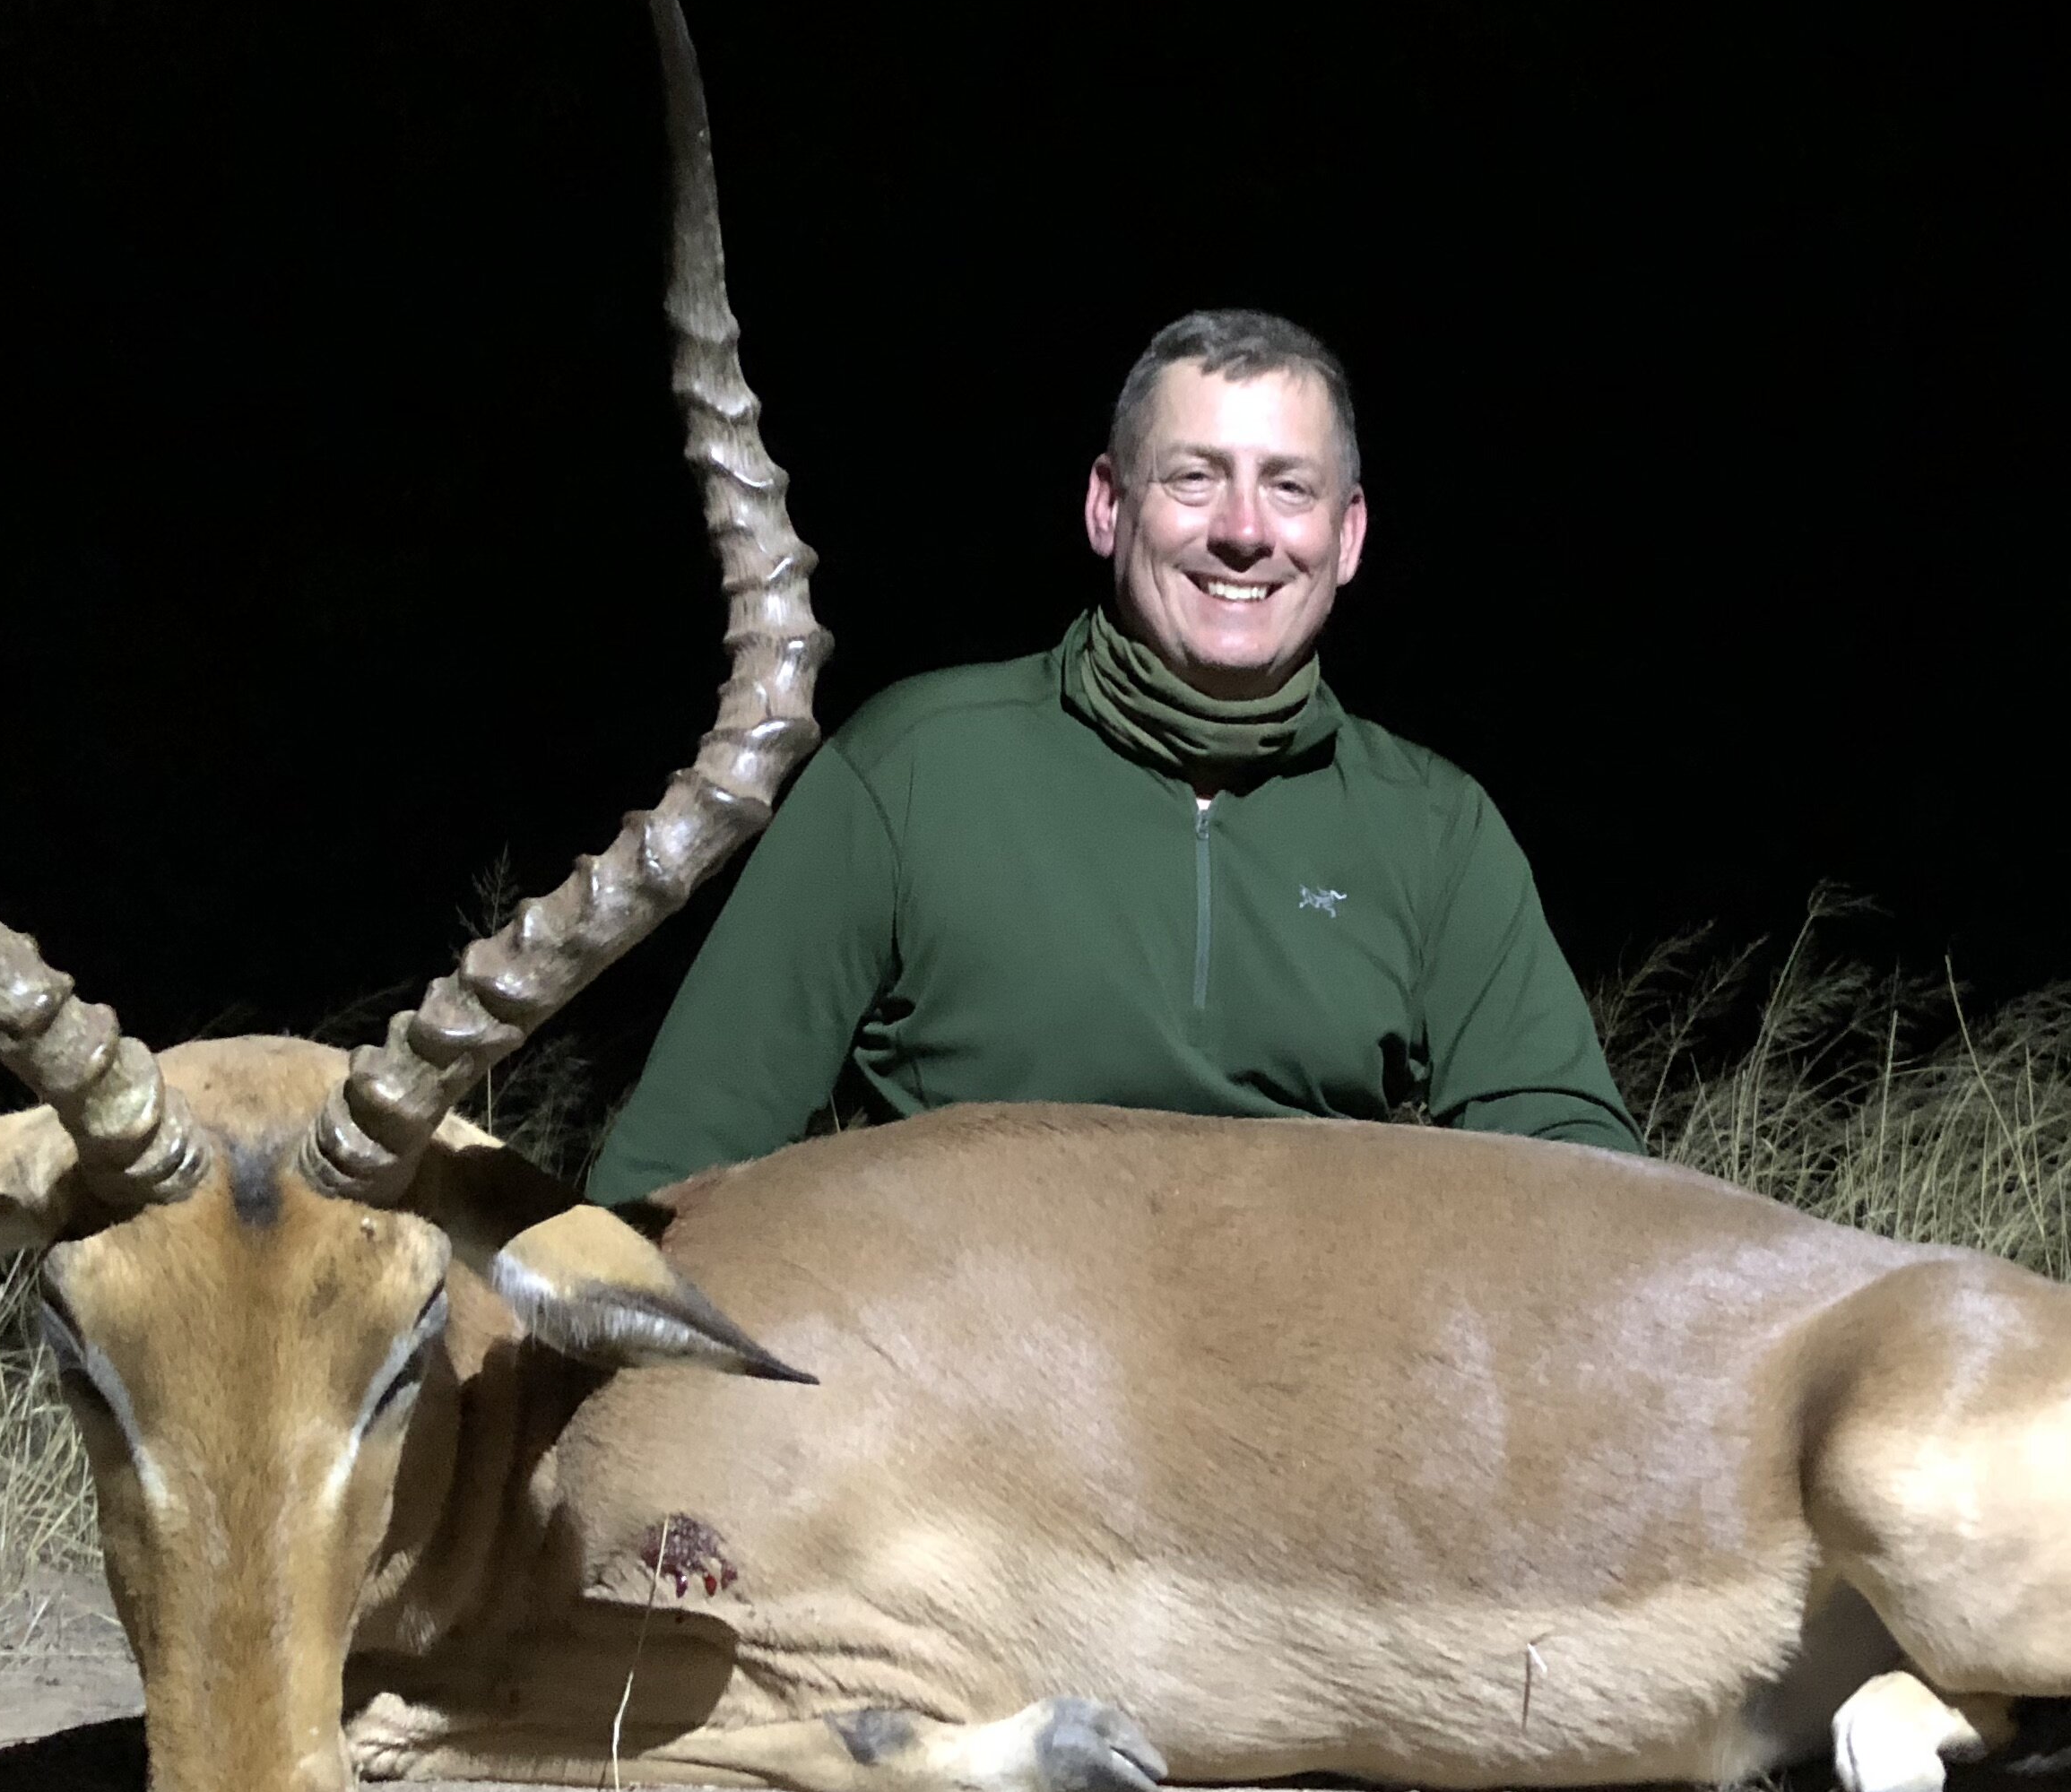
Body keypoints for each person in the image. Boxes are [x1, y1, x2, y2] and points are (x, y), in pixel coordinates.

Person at [584, 309, 1642, 1199]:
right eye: (1194, 478)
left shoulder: (1433, 827)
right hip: (968, 1392)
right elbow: (676, 1170)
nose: (1242, 531)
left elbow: (1586, 1183)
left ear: (1348, 536)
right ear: (1108, 505)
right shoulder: (910, 771)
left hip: (1313, 1390)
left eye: (1288, 487)